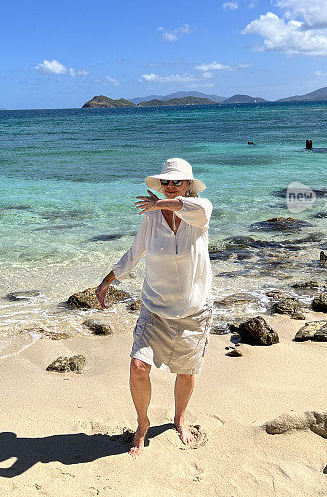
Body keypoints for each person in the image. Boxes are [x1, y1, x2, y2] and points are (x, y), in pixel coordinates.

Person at [95, 158, 213, 456]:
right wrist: (108, 280)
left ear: (189, 185)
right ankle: (143, 423)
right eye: (166, 183)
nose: (170, 187)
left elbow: (195, 210)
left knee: (185, 372)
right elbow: (135, 252)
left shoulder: (200, 211)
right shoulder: (151, 217)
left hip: (193, 309)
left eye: (177, 182)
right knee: (137, 367)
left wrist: (161, 204)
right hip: (155, 308)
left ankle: (180, 418)